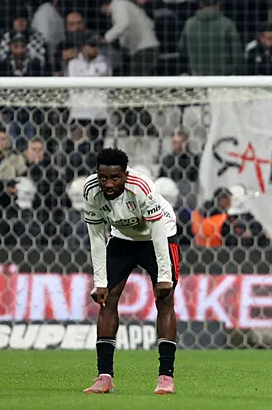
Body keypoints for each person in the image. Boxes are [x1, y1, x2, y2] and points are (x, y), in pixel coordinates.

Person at [82, 148, 180, 395]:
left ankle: (165, 377)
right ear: (97, 174)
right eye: (103, 177)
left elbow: (157, 232)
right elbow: (95, 237)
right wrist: (100, 281)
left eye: (115, 177)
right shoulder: (91, 191)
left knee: (165, 300)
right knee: (107, 301)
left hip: (159, 235)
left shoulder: (141, 188)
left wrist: (164, 276)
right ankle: (104, 377)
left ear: (125, 174)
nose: (108, 183)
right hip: (123, 237)